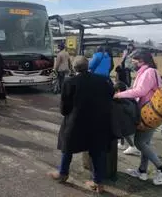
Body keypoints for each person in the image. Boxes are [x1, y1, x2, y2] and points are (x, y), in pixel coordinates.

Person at [47, 56, 114, 194]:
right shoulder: (102, 80)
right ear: (88, 66)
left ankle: (63, 173)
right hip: (99, 121)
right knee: (97, 150)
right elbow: (110, 95)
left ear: (74, 67)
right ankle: (98, 183)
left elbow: (64, 108)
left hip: (77, 121)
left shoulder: (70, 82)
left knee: (68, 145)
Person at [114, 50, 162, 185]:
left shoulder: (149, 72)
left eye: (134, 61)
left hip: (149, 113)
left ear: (142, 61)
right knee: (144, 143)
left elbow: (141, 91)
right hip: (150, 113)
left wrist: (119, 95)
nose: (132, 63)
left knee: (140, 143)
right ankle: (142, 171)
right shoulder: (148, 71)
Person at [113, 81, 140, 155]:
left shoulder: (121, 100)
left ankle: (132, 146)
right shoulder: (129, 97)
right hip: (133, 121)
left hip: (128, 124)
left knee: (123, 131)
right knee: (122, 127)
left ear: (118, 91)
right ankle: (122, 144)